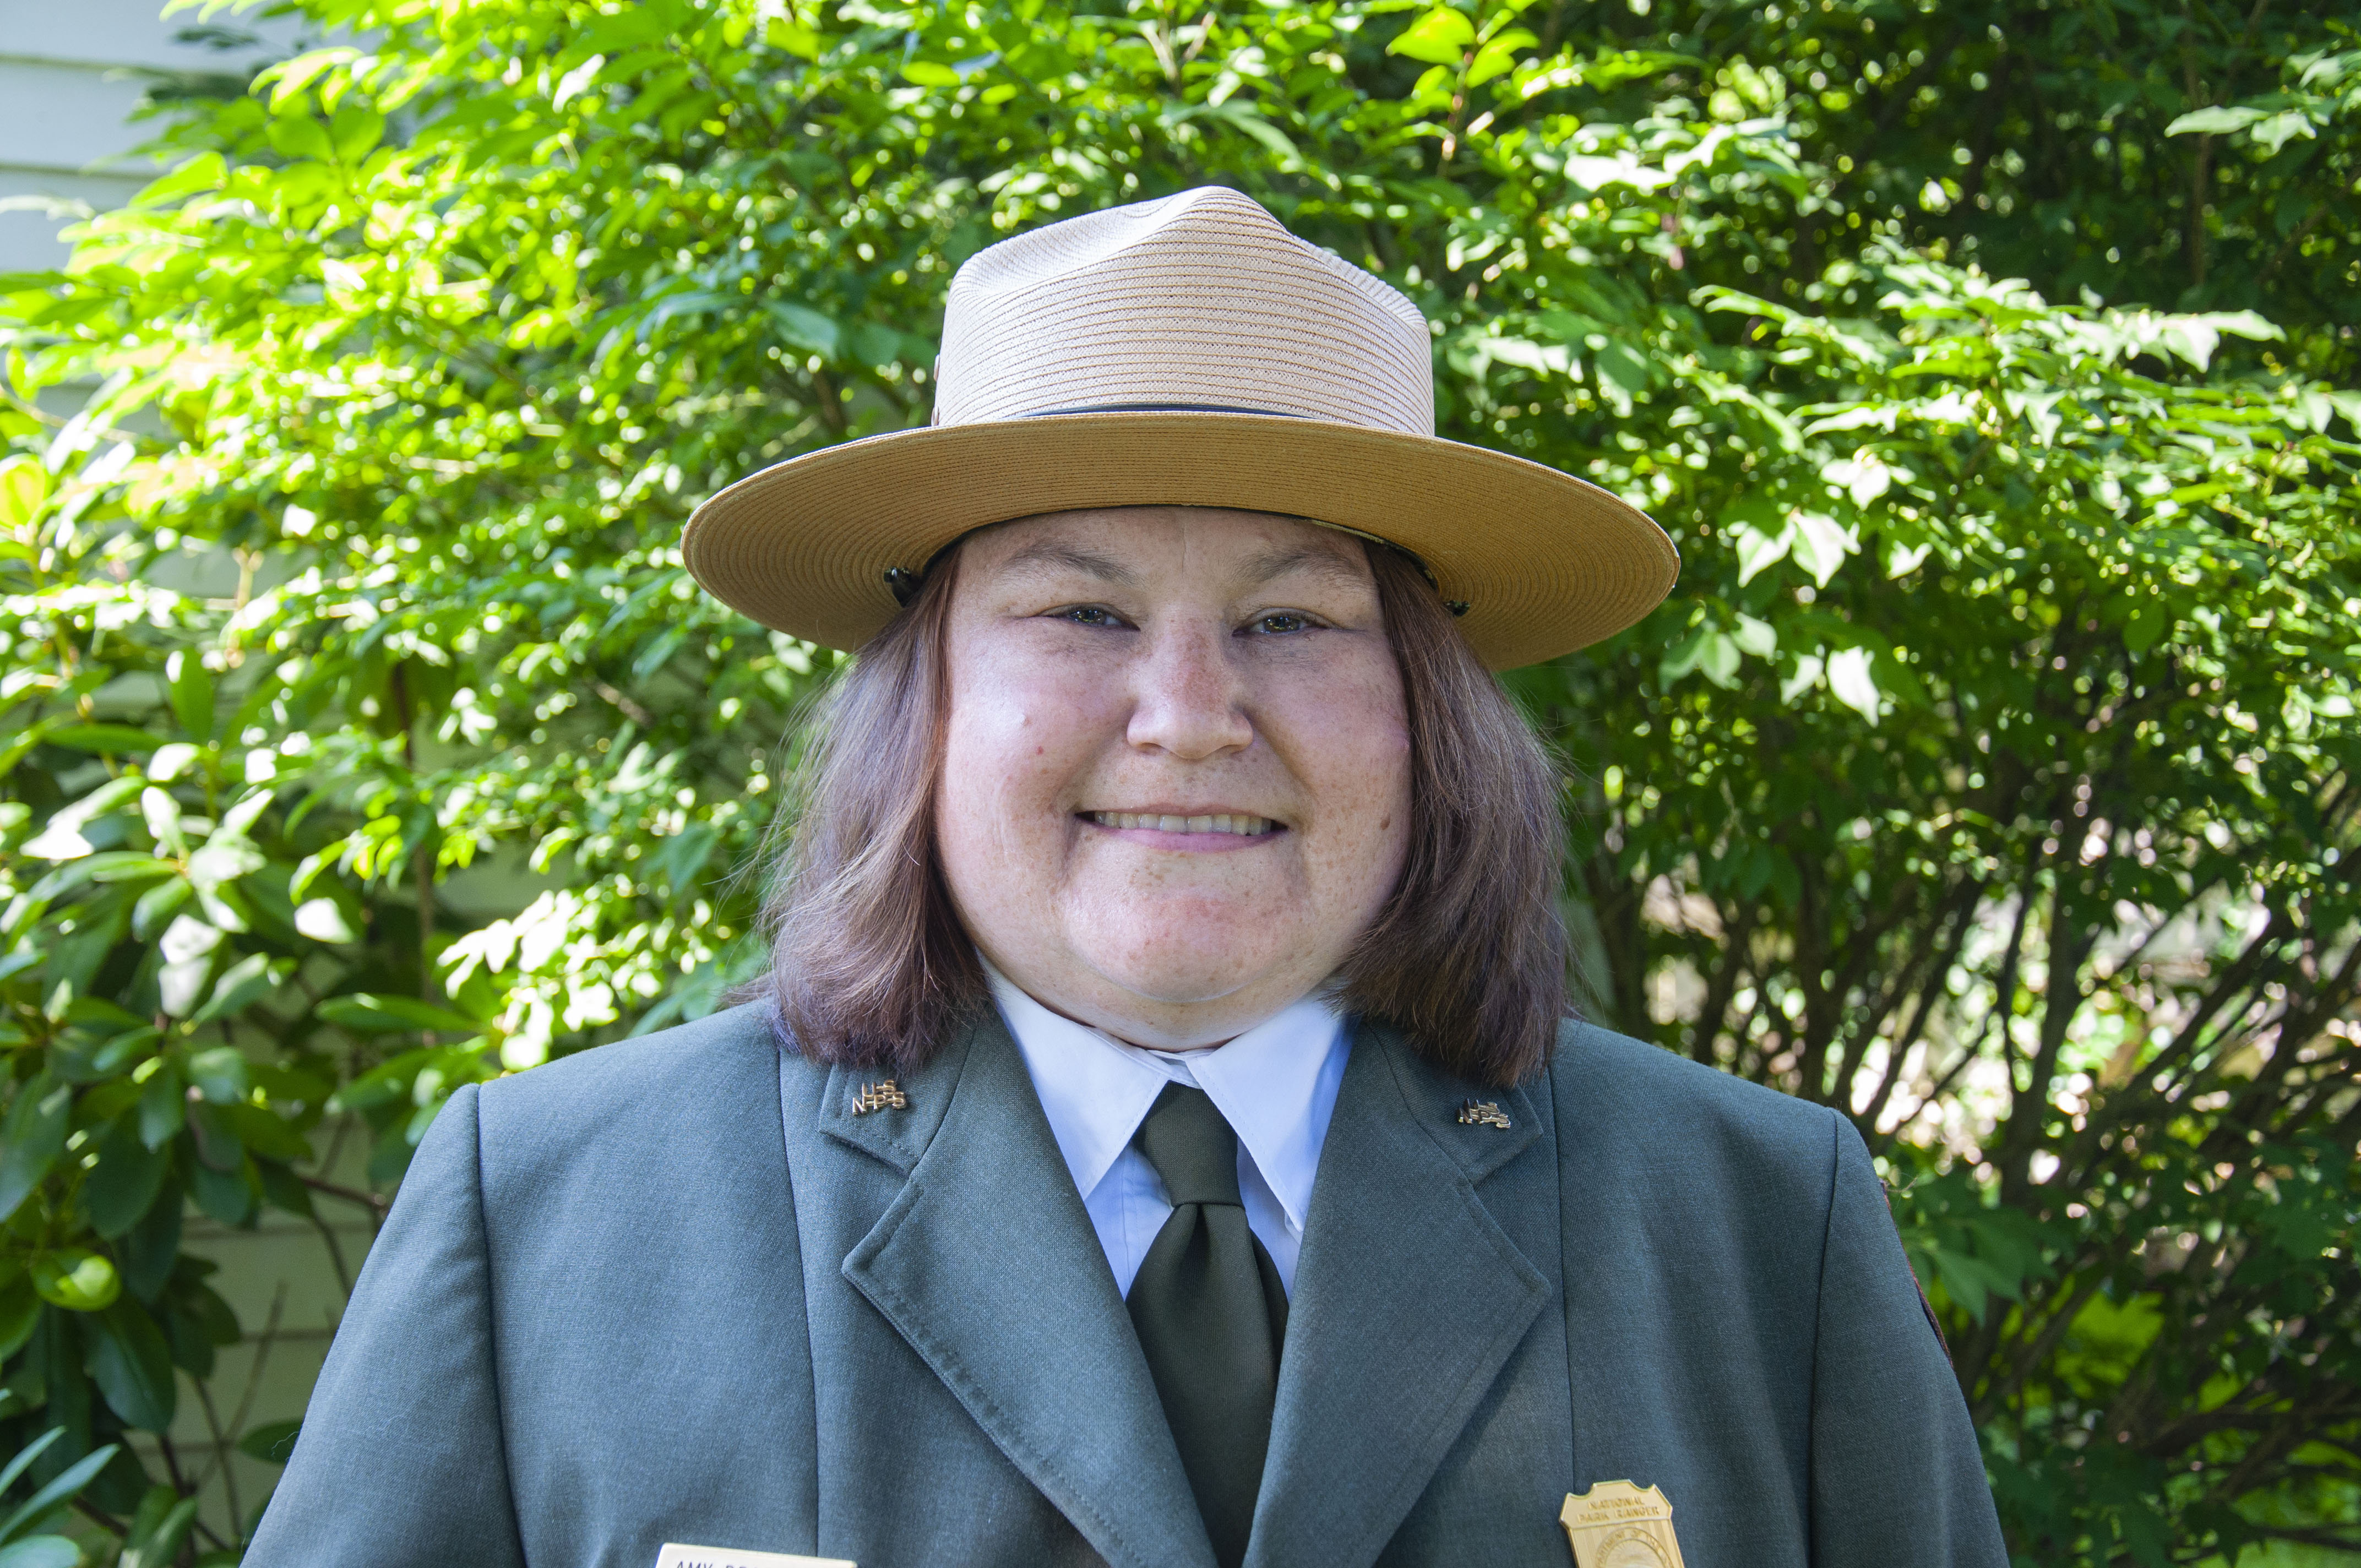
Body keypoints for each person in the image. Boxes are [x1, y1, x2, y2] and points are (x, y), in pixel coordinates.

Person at [247, 187, 2008, 1568]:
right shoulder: (555, 1217)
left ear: (1427, 717)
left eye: (1291, 620)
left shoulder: (1757, 1229)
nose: (1187, 717)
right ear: (926, 703)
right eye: (1081, 611)